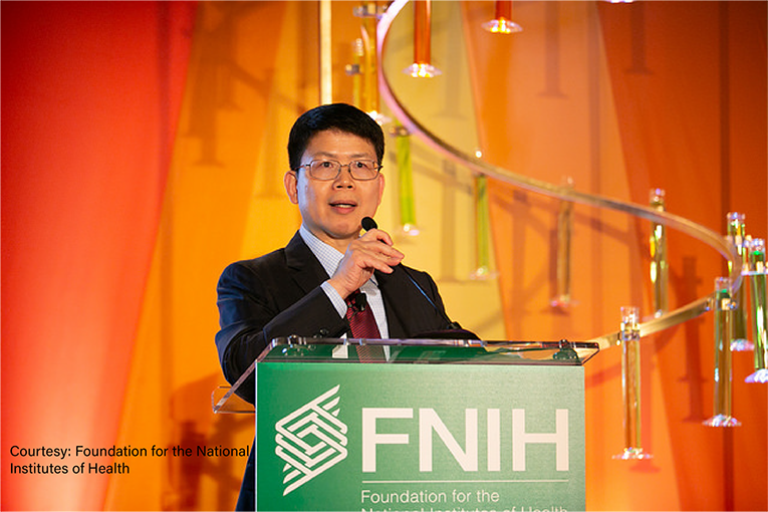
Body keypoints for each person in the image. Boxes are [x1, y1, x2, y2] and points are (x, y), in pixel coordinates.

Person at [214, 103, 460, 512]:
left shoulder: (415, 284)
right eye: (326, 165)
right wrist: (341, 283)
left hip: (408, 488)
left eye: (361, 166)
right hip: (301, 491)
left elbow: (461, 372)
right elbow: (246, 372)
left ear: (379, 187)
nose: (345, 182)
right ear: (294, 186)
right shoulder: (252, 278)